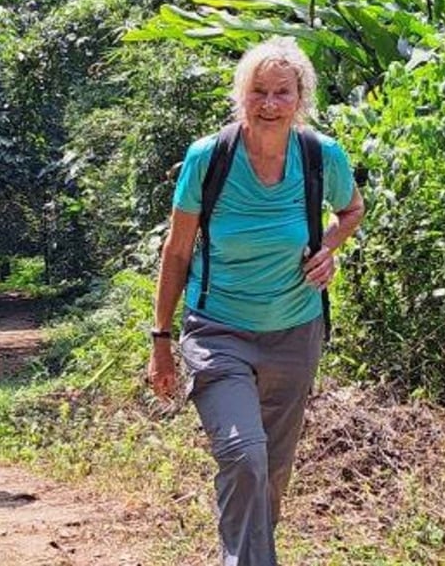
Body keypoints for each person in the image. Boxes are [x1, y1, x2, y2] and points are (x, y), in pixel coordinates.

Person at [148, 37, 365, 566]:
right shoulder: (209, 158)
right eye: (259, 92)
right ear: (241, 97)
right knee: (244, 455)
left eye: (282, 93)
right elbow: (177, 252)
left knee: (272, 469)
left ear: (301, 98)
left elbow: (352, 210)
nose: (270, 104)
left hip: (295, 332)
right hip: (218, 330)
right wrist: (160, 339)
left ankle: (242, 555)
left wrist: (327, 249)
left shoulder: (320, 155)